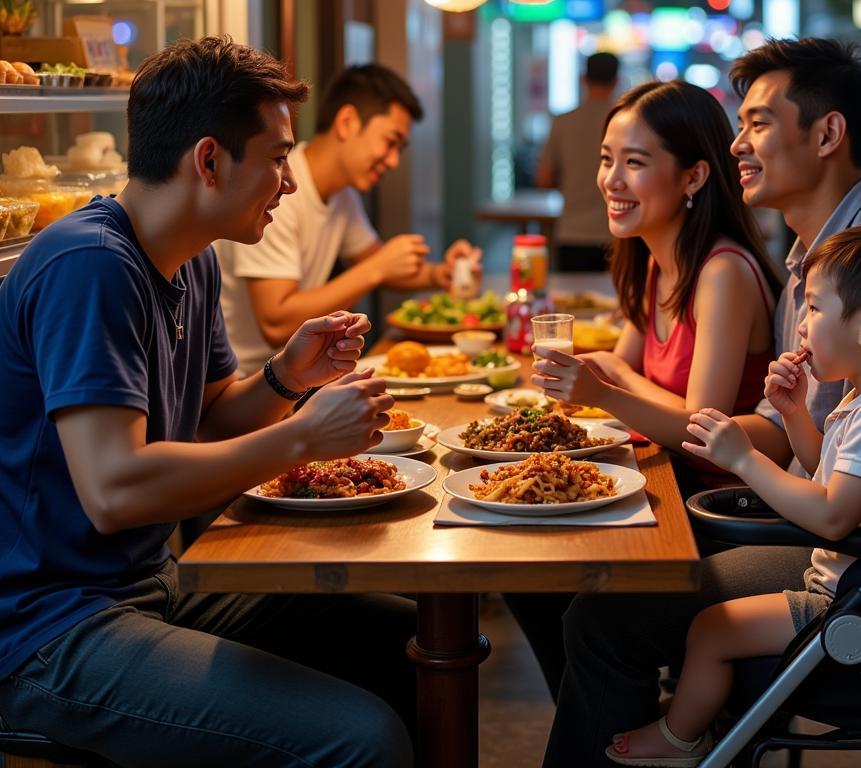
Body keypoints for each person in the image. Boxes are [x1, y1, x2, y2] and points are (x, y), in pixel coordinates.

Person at [0, 37, 414, 767]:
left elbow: (214, 415)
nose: (289, 181)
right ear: (210, 160)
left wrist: (287, 379)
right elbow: (114, 491)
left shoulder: (191, 261)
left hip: (147, 587)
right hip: (46, 629)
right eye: (279, 156)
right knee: (363, 739)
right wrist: (300, 439)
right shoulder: (89, 265)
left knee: (409, 642)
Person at [542, 38, 861, 766]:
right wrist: (715, 427)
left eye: (759, 123)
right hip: (802, 517)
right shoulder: (816, 259)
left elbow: (857, 466)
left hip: (844, 558)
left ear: (828, 134)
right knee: (571, 575)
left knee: (601, 610)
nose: (739, 142)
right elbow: (793, 429)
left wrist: (678, 420)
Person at [605, 220, 861, 765]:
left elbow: (834, 515)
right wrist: (796, 415)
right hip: (853, 583)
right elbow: (829, 474)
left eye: (816, 309)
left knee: (711, 629)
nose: (802, 325)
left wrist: (743, 459)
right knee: (709, 622)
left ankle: (682, 739)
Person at [533, 78, 781, 477]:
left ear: (694, 177)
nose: (611, 180)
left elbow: (703, 432)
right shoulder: (656, 260)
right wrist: (597, 376)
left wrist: (609, 384)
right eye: (606, 159)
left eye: (634, 162)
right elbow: (618, 366)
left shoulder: (723, 272)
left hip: (712, 501)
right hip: (664, 472)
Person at [217, 63, 480, 375]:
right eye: (390, 141)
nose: (394, 160)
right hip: (245, 382)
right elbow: (276, 322)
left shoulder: (342, 195)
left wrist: (443, 274)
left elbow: (380, 264)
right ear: (347, 122)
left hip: (292, 373)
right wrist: (377, 268)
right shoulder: (278, 193)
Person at [535, 51, 619, 271]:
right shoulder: (627, 123)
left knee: (572, 302)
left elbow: (543, 178)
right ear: (616, 80)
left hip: (571, 230)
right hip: (617, 232)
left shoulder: (563, 122)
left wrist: (570, 182)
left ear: (583, 78)